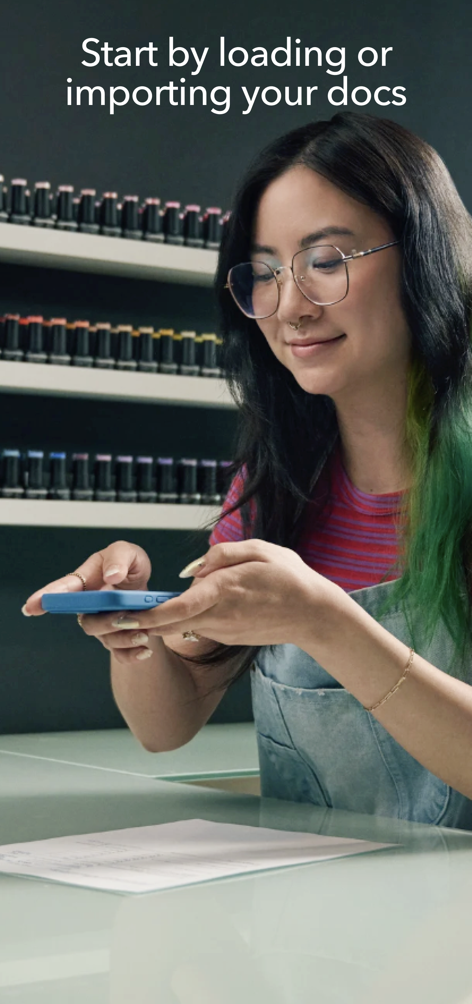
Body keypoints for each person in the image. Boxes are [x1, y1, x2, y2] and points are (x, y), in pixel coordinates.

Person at [24, 111, 472, 828]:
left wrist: (327, 622)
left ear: (423, 254)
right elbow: (165, 726)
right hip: (320, 921)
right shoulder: (279, 486)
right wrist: (137, 630)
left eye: (326, 262)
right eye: (264, 273)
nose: (291, 307)